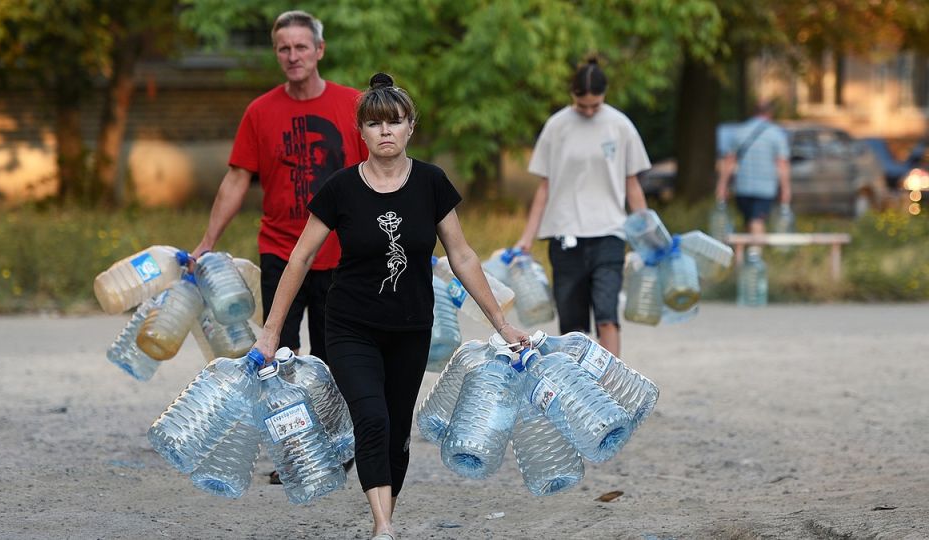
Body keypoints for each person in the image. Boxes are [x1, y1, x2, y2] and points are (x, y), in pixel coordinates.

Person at [252, 73, 528, 540]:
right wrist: (271, 331)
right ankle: (382, 528)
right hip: (350, 326)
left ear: (410, 127)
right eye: (375, 124)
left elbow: (461, 255)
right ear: (360, 131)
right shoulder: (340, 189)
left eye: (394, 122)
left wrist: (502, 322)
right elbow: (299, 257)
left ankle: (387, 515)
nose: (385, 131)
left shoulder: (431, 183)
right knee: (372, 418)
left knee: (398, 429)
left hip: (411, 328)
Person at [192, 10, 367, 364]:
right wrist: (207, 242)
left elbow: (376, 173)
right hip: (281, 249)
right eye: (283, 48)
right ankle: (289, 420)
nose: (293, 56)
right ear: (276, 53)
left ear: (319, 50)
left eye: (301, 47)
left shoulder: (353, 105)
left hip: (340, 251)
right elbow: (237, 178)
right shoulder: (259, 111)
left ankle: (332, 420)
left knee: (333, 356)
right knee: (279, 355)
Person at [515, 58, 651, 358]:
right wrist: (526, 238)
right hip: (565, 236)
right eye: (582, 106)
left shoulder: (620, 126)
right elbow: (544, 187)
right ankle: (576, 392)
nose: (589, 111)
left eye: (595, 106)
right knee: (573, 325)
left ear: (604, 96)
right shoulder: (556, 126)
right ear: (572, 95)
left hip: (610, 233)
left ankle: (613, 388)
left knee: (607, 315)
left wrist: (648, 235)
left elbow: (632, 184)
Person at [715, 99, 791, 236]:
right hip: (765, 188)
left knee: (749, 221)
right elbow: (782, 164)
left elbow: (729, 161)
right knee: (757, 221)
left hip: (742, 187)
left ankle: (748, 254)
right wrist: (785, 189)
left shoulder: (739, 131)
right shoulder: (776, 134)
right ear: (770, 113)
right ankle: (754, 255)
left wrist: (722, 186)